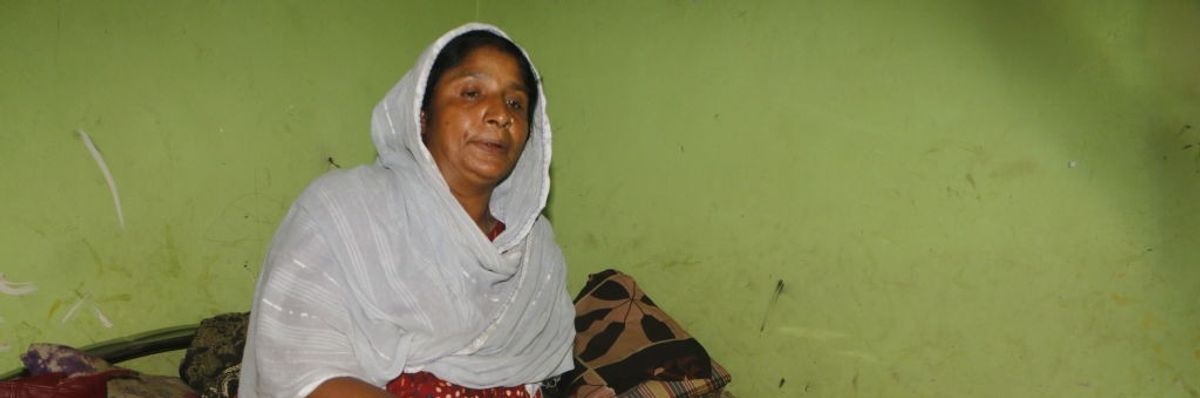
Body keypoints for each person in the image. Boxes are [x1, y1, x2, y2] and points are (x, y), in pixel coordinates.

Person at [239, 23, 575, 398]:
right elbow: (300, 373)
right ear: (421, 115)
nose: (500, 115)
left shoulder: (532, 249)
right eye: (471, 92)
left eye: (516, 103)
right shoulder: (344, 212)